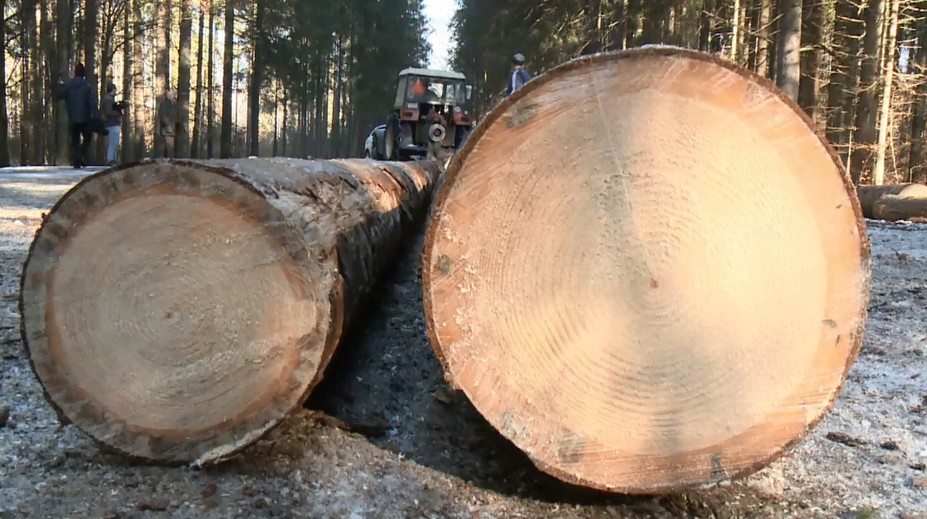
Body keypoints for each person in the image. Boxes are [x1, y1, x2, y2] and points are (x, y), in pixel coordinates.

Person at [57, 63, 99, 168]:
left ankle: (76, 160)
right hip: (85, 117)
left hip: (72, 117)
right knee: (87, 138)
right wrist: (96, 115)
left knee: (75, 140)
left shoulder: (69, 86)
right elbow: (91, 103)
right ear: (83, 74)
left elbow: (60, 95)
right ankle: (79, 156)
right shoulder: (86, 86)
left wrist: (60, 83)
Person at [102, 83, 123, 165]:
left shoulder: (110, 99)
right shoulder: (108, 99)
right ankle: (110, 159)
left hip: (113, 123)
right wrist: (118, 112)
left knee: (115, 142)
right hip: (112, 123)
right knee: (113, 142)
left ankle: (113, 159)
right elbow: (108, 112)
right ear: (113, 90)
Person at [158, 90, 177, 158]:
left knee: (169, 148)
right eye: (171, 95)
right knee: (169, 147)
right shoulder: (164, 105)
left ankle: (166, 160)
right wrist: (168, 125)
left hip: (171, 129)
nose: (173, 96)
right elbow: (162, 116)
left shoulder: (174, 104)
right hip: (167, 130)